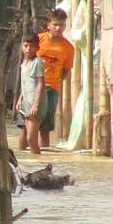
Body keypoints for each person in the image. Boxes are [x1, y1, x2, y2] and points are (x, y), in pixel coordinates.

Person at [36, 8, 75, 149]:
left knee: (45, 128)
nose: (58, 28)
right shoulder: (38, 40)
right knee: (28, 126)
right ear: (49, 25)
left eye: (61, 25)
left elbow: (66, 71)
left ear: (65, 26)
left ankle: (44, 159)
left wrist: (54, 81)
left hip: (52, 89)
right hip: (33, 88)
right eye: (55, 24)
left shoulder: (68, 48)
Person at [14, 33, 46, 154]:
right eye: (26, 46)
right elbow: (26, 83)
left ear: (37, 48)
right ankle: (30, 162)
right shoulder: (23, 64)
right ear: (22, 46)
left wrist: (36, 105)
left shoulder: (37, 62)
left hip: (35, 104)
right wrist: (20, 99)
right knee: (23, 140)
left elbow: (40, 84)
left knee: (31, 139)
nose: (28, 49)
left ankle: (39, 162)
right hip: (26, 102)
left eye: (31, 46)